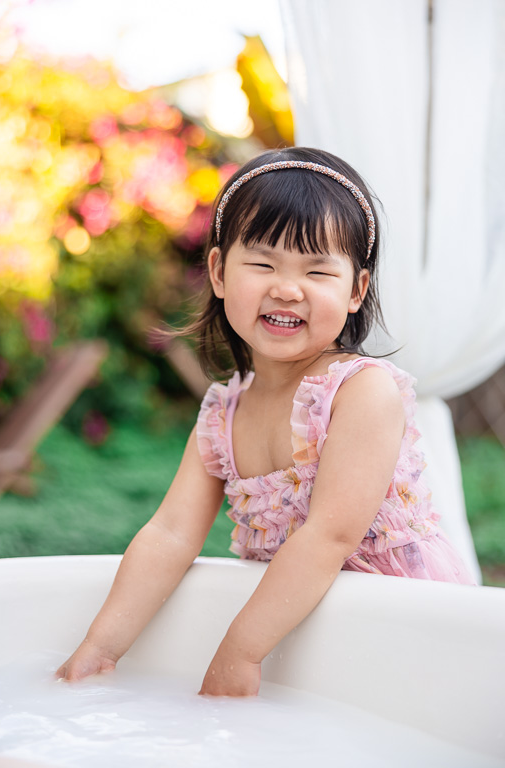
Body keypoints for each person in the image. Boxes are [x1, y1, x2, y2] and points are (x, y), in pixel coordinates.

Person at [56, 147, 476, 696]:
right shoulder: (221, 413)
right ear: (219, 272)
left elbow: (330, 535)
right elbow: (170, 533)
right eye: (263, 263)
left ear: (356, 291)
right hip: (295, 626)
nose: (287, 287)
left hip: (400, 624)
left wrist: (240, 651)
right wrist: (100, 648)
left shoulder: (361, 393)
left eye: (317, 270)